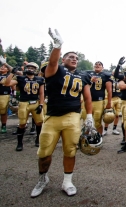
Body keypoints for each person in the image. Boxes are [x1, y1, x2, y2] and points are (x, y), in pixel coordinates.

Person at [30, 28, 93, 197]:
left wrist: (90, 117)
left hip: (73, 115)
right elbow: (51, 64)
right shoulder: (55, 69)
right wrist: (57, 46)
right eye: (71, 56)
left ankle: (67, 181)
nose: (74, 59)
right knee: (44, 152)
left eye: (76, 58)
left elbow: (87, 98)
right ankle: (43, 178)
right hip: (52, 116)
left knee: (70, 150)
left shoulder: (83, 75)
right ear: (63, 58)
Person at [5, 62, 44, 150]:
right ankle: (19, 143)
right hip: (24, 103)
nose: (30, 69)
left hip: (35, 103)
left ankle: (38, 139)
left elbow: (41, 93)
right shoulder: (20, 78)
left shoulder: (40, 79)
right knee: (22, 123)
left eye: (32, 67)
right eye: (29, 67)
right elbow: (7, 84)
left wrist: (41, 104)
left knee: (39, 122)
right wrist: (12, 73)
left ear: (36, 69)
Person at [88, 61, 112, 135]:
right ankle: (86, 138)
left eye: (99, 65)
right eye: (96, 64)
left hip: (99, 102)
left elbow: (109, 90)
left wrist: (109, 103)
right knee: (87, 121)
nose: (97, 65)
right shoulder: (88, 74)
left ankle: (99, 139)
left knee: (97, 122)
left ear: (102, 67)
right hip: (88, 101)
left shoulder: (105, 75)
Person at [103, 68, 122, 136]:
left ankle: (114, 128)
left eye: (119, 72)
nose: (118, 73)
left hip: (119, 98)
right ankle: (105, 129)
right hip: (110, 98)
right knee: (108, 114)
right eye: (117, 72)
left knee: (117, 114)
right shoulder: (109, 79)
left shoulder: (121, 79)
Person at [0, 56, 15, 133]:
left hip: (4, 95)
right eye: (1, 66)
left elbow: (13, 87)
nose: (2, 67)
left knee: (3, 111)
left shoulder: (9, 76)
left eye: (4, 67)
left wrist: (14, 95)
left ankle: (3, 125)